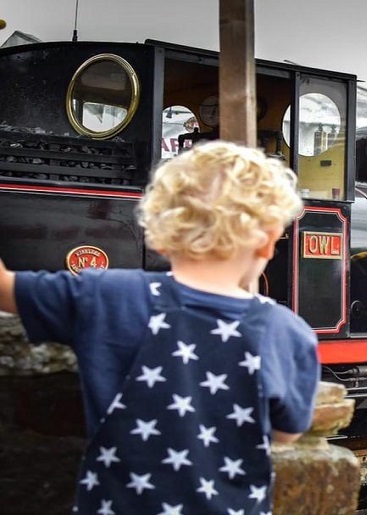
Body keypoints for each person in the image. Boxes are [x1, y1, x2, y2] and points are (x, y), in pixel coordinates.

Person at [0, 141, 320, 514]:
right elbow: (287, 434)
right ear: (267, 242)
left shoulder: (105, 295)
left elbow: (5, 290)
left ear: (162, 232)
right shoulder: (288, 332)